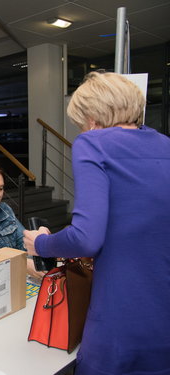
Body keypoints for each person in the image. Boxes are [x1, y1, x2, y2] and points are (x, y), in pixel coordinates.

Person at [23, 71, 170, 375]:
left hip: (121, 312)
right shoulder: (165, 146)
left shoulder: (93, 143)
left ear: (92, 118)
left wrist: (41, 243)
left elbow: (86, 238)